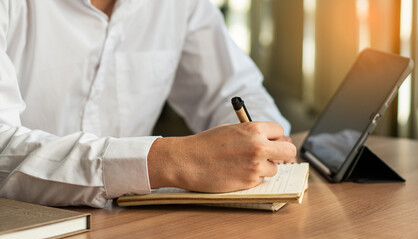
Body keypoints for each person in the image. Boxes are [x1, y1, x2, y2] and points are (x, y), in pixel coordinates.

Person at [0, 0, 296, 208]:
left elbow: (234, 90)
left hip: (124, 223)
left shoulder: (180, 5)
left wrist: (257, 146)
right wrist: (170, 160)